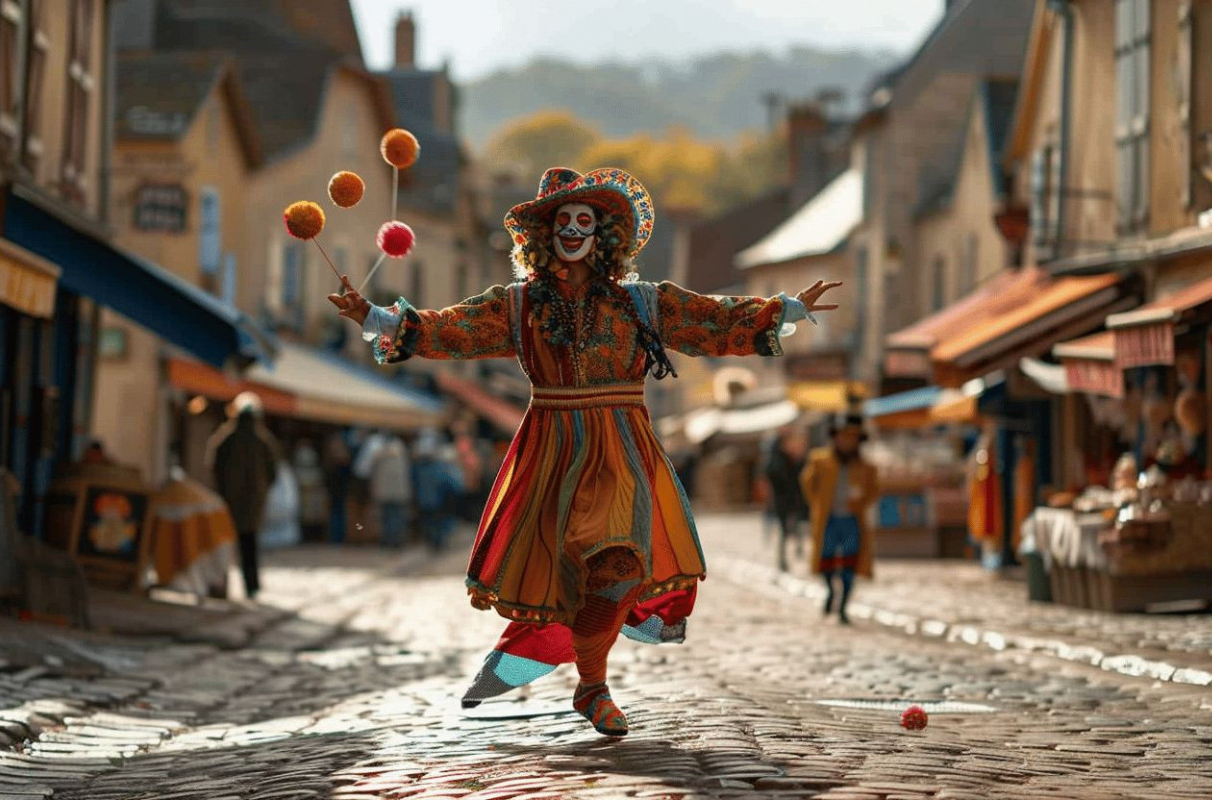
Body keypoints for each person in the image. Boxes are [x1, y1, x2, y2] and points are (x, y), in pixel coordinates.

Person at [328, 166, 838, 736]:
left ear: (604, 234)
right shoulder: (518, 306)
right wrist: (374, 317)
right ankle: (589, 681)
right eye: (562, 221)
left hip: (623, 447)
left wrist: (784, 309)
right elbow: (454, 329)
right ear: (544, 236)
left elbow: (707, 319)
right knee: (571, 578)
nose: (573, 229)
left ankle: (592, 686)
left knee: (619, 565)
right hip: (553, 451)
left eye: (584, 220)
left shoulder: (642, 303)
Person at [800, 414, 878, 625]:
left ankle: (843, 605)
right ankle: (830, 592)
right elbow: (807, 483)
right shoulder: (819, 460)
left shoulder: (866, 467)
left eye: (851, 438)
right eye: (843, 437)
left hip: (852, 521)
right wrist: (818, 503)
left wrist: (860, 500)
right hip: (829, 520)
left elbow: (873, 491)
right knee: (826, 560)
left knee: (850, 563)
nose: (847, 442)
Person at [207, 392, 279, 600]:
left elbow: (215, 467)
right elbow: (273, 472)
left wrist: (223, 490)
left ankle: (220, 585)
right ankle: (251, 586)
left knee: (223, 546)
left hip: (229, 502)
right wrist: (261, 492)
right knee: (249, 546)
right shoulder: (263, 441)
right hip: (252, 504)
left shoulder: (226, 438)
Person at [764, 428, 809, 572]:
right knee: (784, 530)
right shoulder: (777, 460)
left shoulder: (794, 459)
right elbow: (773, 476)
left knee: (797, 525)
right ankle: (782, 559)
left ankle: (798, 551)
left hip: (794, 499)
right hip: (782, 500)